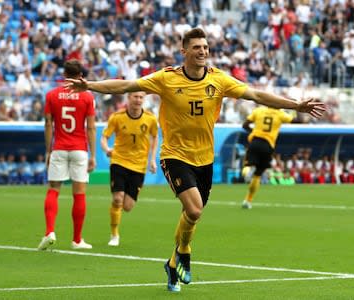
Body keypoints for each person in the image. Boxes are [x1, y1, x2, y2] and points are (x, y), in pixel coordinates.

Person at [65, 28, 325, 293]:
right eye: (197, 47)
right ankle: (185, 252)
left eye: (205, 47)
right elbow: (126, 85)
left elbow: (256, 95)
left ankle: (172, 264)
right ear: (184, 52)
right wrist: (91, 86)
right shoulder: (166, 78)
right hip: (175, 155)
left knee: (190, 215)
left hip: (204, 159)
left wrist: (295, 105)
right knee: (195, 210)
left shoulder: (219, 80)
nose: (202, 51)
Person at [37, 59, 96, 251]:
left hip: (59, 147)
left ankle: (49, 232)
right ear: (80, 76)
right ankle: (77, 240)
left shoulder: (52, 95)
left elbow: (48, 124)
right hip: (79, 149)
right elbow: (91, 127)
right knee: (79, 193)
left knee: (53, 189)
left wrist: (47, 151)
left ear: (64, 75)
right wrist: (93, 155)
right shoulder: (87, 97)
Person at [101, 91, 158, 247]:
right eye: (135, 97)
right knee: (117, 198)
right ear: (129, 98)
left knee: (127, 206)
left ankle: (118, 217)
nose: (138, 100)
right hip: (119, 161)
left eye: (141, 97)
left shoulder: (150, 118)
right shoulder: (117, 117)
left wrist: (152, 160)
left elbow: (154, 137)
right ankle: (114, 235)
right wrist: (107, 148)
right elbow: (104, 136)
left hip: (139, 165)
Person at [241, 105, 294, 209]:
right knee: (258, 175)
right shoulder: (280, 114)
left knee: (248, 164)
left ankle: (247, 171)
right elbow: (294, 120)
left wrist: (254, 131)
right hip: (268, 145)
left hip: (255, 141)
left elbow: (245, 125)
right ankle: (248, 200)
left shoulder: (259, 111)